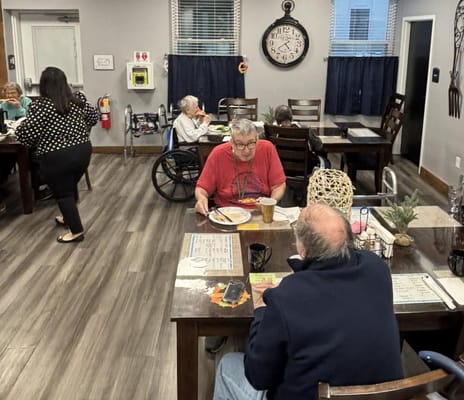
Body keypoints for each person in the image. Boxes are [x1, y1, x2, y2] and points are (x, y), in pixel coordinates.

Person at [213, 203, 403, 400]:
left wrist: (261, 310)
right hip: (382, 395)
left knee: (227, 367)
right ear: (348, 239)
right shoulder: (378, 269)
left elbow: (258, 377)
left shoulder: (286, 297)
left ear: (302, 250)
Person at [16, 66, 98, 243]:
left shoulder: (40, 106)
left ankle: (76, 231)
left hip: (55, 155)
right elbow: (93, 118)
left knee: (63, 193)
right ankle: (69, 217)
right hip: (83, 151)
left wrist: (19, 127)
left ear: (44, 86)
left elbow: (26, 135)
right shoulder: (78, 100)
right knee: (69, 184)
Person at [195, 118, 286, 215]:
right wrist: (201, 199)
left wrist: (270, 202)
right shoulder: (218, 154)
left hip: (260, 212)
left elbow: (279, 185)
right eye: (240, 145)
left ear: (257, 139)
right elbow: (202, 188)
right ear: (232, 143)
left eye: (251, 143)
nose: (246, 151)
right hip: (227, 213)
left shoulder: (267, 148)